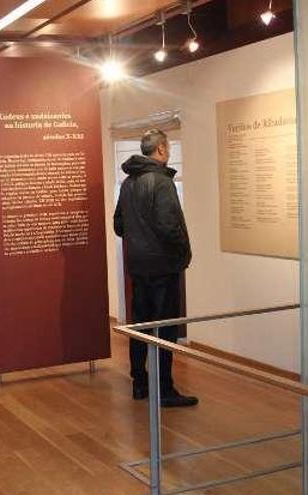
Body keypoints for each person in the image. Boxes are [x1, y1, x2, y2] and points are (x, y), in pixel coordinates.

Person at [114, 129, 198, 408]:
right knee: (165, 330)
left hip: (138, 268)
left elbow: (119, 225)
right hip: (162, 268)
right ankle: (165, 389)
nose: (169, 152)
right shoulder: (161, 182)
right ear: (161, 149)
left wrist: (139, 241)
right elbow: (168, 225)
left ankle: (140, 383)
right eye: (168, 148)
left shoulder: (127, 184)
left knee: (141, 328)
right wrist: (182, 253)